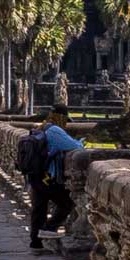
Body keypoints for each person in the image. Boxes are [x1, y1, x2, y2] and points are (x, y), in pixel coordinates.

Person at [28, 105, 84, 250]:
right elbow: (75, 146)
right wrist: (81, 142)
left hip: (36, 174)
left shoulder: (43, 127)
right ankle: (48, 228)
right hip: (47, 177)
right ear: (61, 117)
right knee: (67, 202)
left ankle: (36, 242)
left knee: (39, 208)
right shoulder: (54, 130)